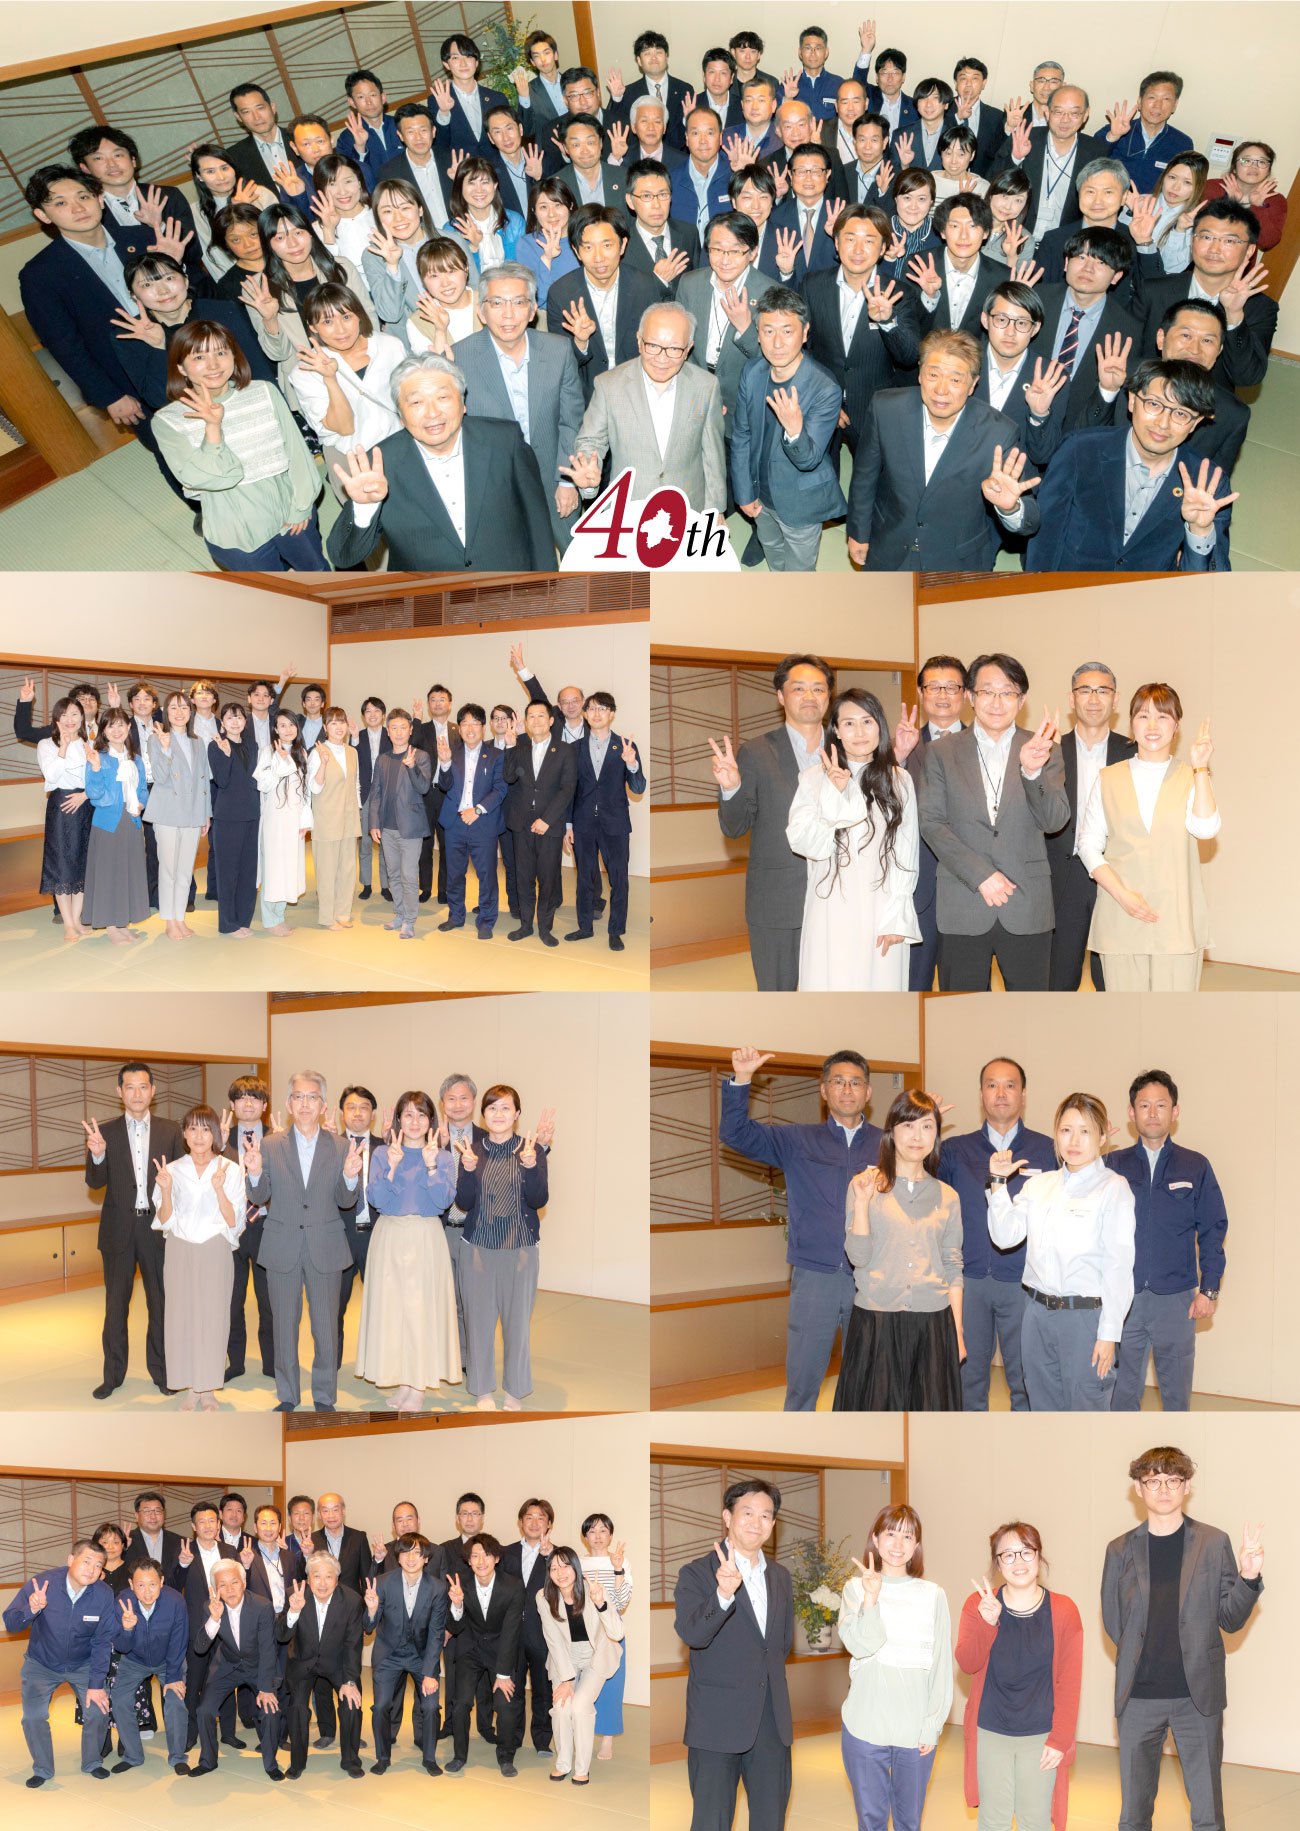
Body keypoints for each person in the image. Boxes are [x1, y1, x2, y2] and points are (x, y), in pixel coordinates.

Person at [1102, 1446, 1263, 1831]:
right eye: (1153, 1481)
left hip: (1198, 1698)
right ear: (1138, 1489)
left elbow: (1229, 1620)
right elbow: (1113, 1621)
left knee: (1208, 1816)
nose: (1163, 1489)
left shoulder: (1213, 1542)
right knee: (1133, 1816)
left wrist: (1248, 1577)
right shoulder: (1119, 1549)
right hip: (1138, 1698)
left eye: (1173, 1480)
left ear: (1187, 1486)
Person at [721, 1047, 883, 1408]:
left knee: (869, 1384)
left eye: (855, 1082)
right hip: (814, 1278)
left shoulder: (888, 1144)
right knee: (802, 1384)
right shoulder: (797, 1140)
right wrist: (742, 1078)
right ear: (824, 1090)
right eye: (838, 1081)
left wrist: (926, 1120)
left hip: (872, 1278)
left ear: (868, 1092)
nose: (847, 1089)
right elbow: (736, 1134)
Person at [915, 652, 1069, 991]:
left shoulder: (1043, 748)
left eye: (1007, 692)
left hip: (1027, 904)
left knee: (1030, 1011)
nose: (997, 702)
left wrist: (1032, 772)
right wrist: (981, 874)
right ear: (971, 696)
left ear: (1022, 699)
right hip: (963, 902)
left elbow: (1055, 821)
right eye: (987, 691)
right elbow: (931, 823)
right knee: (962, 1010)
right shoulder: (941, 752)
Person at [328, 351, 557, 570]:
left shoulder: (505, 441)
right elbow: (344, 557)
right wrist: (364, 507)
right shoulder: (378, 465)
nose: (432, 413)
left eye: (443, 397)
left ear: (463, 402)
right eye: (416, 402)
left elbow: (538, 526)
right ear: (401, 415)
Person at [846, 329, 1043, 570]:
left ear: (972, 385)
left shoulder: (999, 433)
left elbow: (1030, 519)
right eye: (933, 374)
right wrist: (858, 532)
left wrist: (1010, 508)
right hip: (888, 547)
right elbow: (864, 478)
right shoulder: (885, 408)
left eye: (955, 380)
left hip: (955, 562)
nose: (941, 389)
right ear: (920, 374)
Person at [988, 1090, 1136, 1411]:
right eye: (1066, 1130)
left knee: (1086, 1408)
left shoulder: (1113, 1188)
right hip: (1036, 1315)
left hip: (1085, 1318)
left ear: (1102, 1137)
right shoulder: (1039, 1185)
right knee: (1042, 1409)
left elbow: (1119, 1267)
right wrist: (998, 1183)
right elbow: (1004, 1237)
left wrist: (1109, 1333)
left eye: (1085, 1131)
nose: (1074, 1140)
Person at [18, 165, 180, 458]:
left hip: (181, 350)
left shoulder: (143, 237)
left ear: (100, 199)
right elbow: (64, 345)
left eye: (83, 196)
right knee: (172, 453)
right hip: (126, 376)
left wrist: (175, 266)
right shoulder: (40, 274)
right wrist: (109, 395)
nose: (78, 208)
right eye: (60, 203)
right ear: (43, 215)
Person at [1028, 360, 1237, 572]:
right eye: (1154, 404)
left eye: (1180, 414)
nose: (1163, 423)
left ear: (1195, 423)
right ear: (1132, 401)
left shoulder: (1207, 483)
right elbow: (1045, 538)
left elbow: (1211, 581)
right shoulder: (1080, 449)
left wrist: (1200, 531)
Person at [151, 321, 326, 571]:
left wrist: (301, 507)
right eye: (199, 357)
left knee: (318, 575)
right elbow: (203, 479)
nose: (213, 365)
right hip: (235, 533)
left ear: (234, 356)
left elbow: (298, 454)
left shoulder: (263, 392)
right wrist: (213, 429)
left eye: (221, 352)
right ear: (181, 367)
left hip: (291, 512)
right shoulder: (169, 421)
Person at [1080, 681, 1221, 990]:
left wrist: (1201, 768)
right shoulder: (1108, 778)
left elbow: (1206, 828)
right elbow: (1088, 845)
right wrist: (1122, 896)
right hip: (1120, 915)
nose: (1152, 725)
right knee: (1126, 1015)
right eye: (1143, 716)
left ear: (1177, 725)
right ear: (1131, 723)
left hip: (1177, 920)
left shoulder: (1192, 777)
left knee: (1174, 1017)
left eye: (1163, 716)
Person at [938, 1058, 1057, 1412]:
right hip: (968, 1283)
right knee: (967, 1380)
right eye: (992, 1085)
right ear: (981, 1095)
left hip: (1024, 1284)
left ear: (1023, 1094)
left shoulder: (1048, 1150)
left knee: (1026, 1381)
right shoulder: (955, 1150)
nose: (1001, 1093)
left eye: (1009, 1085)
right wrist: (925, 1124)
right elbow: (920, 1185)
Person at [675, 1478, 793, 1831]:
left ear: (773, 1523)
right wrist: (723, 1595)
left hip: (771, 1722)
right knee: (711, 1822)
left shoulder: (781, 1576)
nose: (757, 1522)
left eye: (766, 1515)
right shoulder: (697, 1573)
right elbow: (692, 1634)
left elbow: (781, 1644)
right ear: (727, 1517)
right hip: (716, 1721)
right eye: (748, 1513)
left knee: (770, 1821)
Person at [710, 654, 833, 989]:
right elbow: (734, 828)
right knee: (778, 996)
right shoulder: (757, 752)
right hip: (778, 900)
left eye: (818, 688)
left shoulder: (849, 748)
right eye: (799, 688)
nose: (809, 696)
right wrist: (732, 788)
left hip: (838, 900)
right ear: (781, 696)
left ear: (828, 696)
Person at [243, 1072, 363, 1412]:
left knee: (326, 1329)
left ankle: (324, 1396)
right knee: (283, 1328)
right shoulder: (269, 1145)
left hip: (325, 1246)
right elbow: (259, 1196)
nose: (305, 1103)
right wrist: (254, 1171)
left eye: (312, 1097)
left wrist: (350, 1177)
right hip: (282, 1245)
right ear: (288, 1103)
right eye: (299, 1096)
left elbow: (345, 1201)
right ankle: (288, 1395)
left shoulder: (340, 1146)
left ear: (324, 1106)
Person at [835, 1092, 963, 1411]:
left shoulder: (948, 1196)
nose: (917, 1136)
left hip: (933, 1324)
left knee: (928, 1422)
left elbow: (952, 1266)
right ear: (891, 1131)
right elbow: (858, 1258)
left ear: (937, 1134)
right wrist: (862, 1204)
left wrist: (958, 1332)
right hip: (876, 1322)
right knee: (875, 1421)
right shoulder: (865, 1186)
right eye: (908, 1125)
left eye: (927, 1126)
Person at [1110, 1071, 1229, 1412]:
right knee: (1120, 1397)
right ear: (1131, 1113)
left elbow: (1213, 1228)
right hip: (1123, 1299)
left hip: (1176, 1301)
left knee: (1177, 1397)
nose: (1152, 1113)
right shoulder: (1111, 1165)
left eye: (1161, 1105)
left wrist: (1209, 1289)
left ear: (1174, 1112)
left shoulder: (1195, 1165)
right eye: (1144, 1105)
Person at [786, 687, 920, 989]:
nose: (859, 732)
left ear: (879, 726)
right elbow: (805, 845)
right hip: (829, 908)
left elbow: (906, 850)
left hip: (881, 908)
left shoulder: (899, 780)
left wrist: (898, 916)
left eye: (867, 721)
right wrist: (833, 795)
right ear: (835, 729)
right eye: (848, 723)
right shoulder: (812, 778)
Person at [956, 1522, 1084, 1831]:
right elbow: (967, 1663)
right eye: (1008, 1554)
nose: (1019, 1561)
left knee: (1035, 1822)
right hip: (991, 1729)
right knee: (992, 1821)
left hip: (1041, 1734)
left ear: (1039, 1556)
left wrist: (1060, 1739)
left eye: (1026, 1552)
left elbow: (1069, 1683)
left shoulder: (1064, 1610)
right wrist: (987, 1623)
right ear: (997, 1563)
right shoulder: (978, 1604)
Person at [452, 261, 586, 553]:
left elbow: (571, 421)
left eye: (518, 302)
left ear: (533, 309)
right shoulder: (458, 358)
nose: (508, 313)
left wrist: (567, 481)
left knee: (577, 559)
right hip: (494, 487)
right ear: (481, 312)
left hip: (555, 477)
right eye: (497, 303)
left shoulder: (558, 350)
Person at [837, 1505, 952, 1831]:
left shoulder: (933, 1595)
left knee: (908, 1822)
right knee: (870, 1821)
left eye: (907, 1536)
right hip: (864, 1726)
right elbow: (861, 1645)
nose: (898, 1543)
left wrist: (932, 1724)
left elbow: (941, 1665)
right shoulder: (855, 1589)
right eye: (890, 1534)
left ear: (917, 1545)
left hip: (914, 1731)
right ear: (875, 1539)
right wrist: (871, 1599)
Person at [564, 300, 726, 515]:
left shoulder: (705, 386)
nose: (662, 358)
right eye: (653, 345)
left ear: (688, 349)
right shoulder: (608, 385)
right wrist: (588, 479)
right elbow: (591, 442)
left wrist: (716, 510)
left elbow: (713, 456)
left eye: (674, 349)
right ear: (639, 341)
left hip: (688, 510)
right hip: (628, 510)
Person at [84, 1063, 184, 1399]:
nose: (137, 1093)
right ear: (119, 1092)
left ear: (153, 1090)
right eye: (130, 1087)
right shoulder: (105, 1133)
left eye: (143, 1086)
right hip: (118, 1231)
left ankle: (163, 1373)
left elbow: (183, 1182)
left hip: (158, 1229)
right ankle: (112, 1376)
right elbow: (94, 1183)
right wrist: (98, 1156)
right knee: (115, 1308)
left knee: (161, 1305)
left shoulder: (171, 1131)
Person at [355, 1090, 459, 1411]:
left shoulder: (443, 1157)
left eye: (422, 1115)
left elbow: (443, 1202)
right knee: (393, 1311)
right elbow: (376, 1200)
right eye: (408, 1115)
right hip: (389, 1236)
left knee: (419, 1313)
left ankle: (418, 1386)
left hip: (425, 1237)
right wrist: (391, 1166)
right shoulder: (382, 1152)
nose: (415, 1121)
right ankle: (404, 1381)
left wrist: (431, 1166)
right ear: (398, 1119)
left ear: (431, 1120)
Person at [731, 284, 845, 570]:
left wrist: (794, 430)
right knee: (772, 553)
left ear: (805, 333)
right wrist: (744, 492)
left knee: (799, 572)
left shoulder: (825, 388)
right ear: (758, 334)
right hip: (759, 495)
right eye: (768, 331)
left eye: (787, 331)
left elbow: (809, 460)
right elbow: (742, 435)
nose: (778, 343)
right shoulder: (752, 372)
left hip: (800, 503)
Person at [454, 1086, 551, 1411]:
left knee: (517, 1325)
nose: (498, 1114)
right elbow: (464, 1203)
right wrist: (468, 1171)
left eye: (505, 1108)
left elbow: (538, 1199)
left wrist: (530, 1166)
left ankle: (514, 1391)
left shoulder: (531, 1150)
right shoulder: (472, 1151)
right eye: (492, 1108)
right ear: (484, 1114)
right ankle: (482, 1391)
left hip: (520, 1249)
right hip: (477, 1250)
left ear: (517, 1114)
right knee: (478, 1323)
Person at [1046, 663, 1138, 992]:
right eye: (1085, 690)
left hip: (1116, 875)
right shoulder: (1050, 750)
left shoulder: (1134, 753)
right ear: (1072, 699)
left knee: (1113, 979)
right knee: (1059, 979)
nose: (1094, 698)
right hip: (1063, 876)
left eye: (1103, 691)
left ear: (1116, 699)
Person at [801, 204, 920, 458]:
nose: (857, 249)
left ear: (883, 248)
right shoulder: (813, 285)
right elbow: (804, 349)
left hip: (874, 410)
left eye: (869, 241)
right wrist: (823, 398)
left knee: (870, 480)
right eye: (850, 238)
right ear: (836, 243)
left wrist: (888, 321)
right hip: (821, 405)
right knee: (820, 476)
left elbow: (909, 356)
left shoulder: (899, 292)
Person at [151, 1104, 245, 1410]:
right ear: (184, 1134)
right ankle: (192, 1386)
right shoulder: (172, 1170)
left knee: (214, 1318)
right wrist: (166, 1190)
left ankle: (209, 1387)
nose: (199, 1135)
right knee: (181, 1317)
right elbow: (165, 1220)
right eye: (193, 1128)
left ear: (216, 1133)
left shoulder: (230, 1169)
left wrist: (219, 1190)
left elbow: (234, 1221)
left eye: (206, 1129)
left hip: (215, 1247)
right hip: (180, 1248)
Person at [5, 1541, 113, 1787]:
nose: (91, 1570)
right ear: (70, 1560)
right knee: (33, 1717)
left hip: (83, 1663)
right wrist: (31, 1609)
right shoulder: (43, 1584)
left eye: (98, 1565)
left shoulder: (103, 1594)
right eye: (86, 1561)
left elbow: (101, 1641)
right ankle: (42, 1769)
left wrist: (97, 1683)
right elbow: (11, 1623)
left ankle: (92, 1762)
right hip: (42, 1662)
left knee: (98, 1710)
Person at [1137, 198, 1277, 389]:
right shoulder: (1154, 291)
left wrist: (1234, 317)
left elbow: (1247, 378)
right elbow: (1129, 355)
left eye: (1229, 241)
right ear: (1192, 241)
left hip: (1209, 403)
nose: (1214, 249)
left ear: (1249, 250)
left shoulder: (1260, 307)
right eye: (1206, 237)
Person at [545, 204, 665, 403]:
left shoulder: (645, 286)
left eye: (607, 245)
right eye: (588, 247)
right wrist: (580, 342)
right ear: (576, 251)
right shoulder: (561, 294)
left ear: (623, 245)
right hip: (585, 398)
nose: (599, 257)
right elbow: (558, 365)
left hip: (638, 392)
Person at [291, 285, 404, 477]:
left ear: (359, 315)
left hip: (402, 444)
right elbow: (344, 427)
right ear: (312, 327)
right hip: (351, 459)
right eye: (327, 321)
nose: (341, 329)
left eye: (346, 317)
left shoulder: (389, 346)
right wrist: (330, 378)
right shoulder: (304, 372)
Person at [189, 1560, 283, 1779]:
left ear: (244, 1583)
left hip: (259, 1667)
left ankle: (271, 1764)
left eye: (234, 1582)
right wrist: (214, 1618)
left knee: (270, 1711)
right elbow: (200, 1648)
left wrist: (266, 1688)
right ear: (215, 1589)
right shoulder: (210, 1607)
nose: (229, 1589)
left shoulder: (261, 1606)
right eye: (222, 1585)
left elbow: (268, 1649)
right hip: (228, 1666)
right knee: (204, 1710)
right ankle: (208, 1761)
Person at [905, 656, 966, 990]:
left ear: (966, 693)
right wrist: (897, 758)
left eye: (952, 687)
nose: (943, 695)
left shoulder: (985, 745)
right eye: (934, 687)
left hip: (969, 887)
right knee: (915, 985)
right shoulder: (900, 746)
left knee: (968, 988)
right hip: (918, 887)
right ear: (920, 692)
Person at [364, 1533, 448, 1774]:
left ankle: (429, 1758)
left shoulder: (437, 1588)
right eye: (406, 1552)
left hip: (421, 1656)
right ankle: (382, 1757)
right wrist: (371, 1611)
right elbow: (368, 1627)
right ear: (398, 1557)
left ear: (426, 1559)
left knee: (431, 1707)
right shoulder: (382, 1582)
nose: (411, 1558)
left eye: (418, 1553)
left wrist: (430, 1673)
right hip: (388, 1655)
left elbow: (436, 1633)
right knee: (381, 1705)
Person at [275, 1553, 365, 1778]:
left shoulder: (352, 1600)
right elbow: (281, 1635)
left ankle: (351, 1760)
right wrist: (294, 1611)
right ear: (308, 1579)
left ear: (337, 1579)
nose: (322, 1583)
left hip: (337, 1663)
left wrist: (350, 1681)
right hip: (304, 1662)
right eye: (317, 1576)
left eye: (329, 1576)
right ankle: (297, 1762)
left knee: (351, 1704)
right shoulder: (295, 1594)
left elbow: (353, 1644)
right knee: (297, 1708)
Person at [538, 1548, 624, 1785]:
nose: (560, 1572)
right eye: (554, 1568)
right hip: (564, 1658)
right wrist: (566, 1680)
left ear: (576, 1568)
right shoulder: (543, 1597)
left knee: (580, 1706)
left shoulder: (593, 1590)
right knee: (561, 1707)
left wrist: (601, 1603)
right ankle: (563, 1763)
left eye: (565, 1566)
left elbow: (617, 1633)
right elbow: (553, 1640)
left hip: (596, 1656)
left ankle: (582, 1768)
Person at [445, 1533, 525, 1775]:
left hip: (501, 1649)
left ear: (497, 1558)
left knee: (505, 1703)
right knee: (461, 1703)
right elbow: (455, 1626)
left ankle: (506, 1757)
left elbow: (511, 1631)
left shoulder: (513, 1586)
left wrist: (503, 1674)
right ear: (469, 1560)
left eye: (487, 1555)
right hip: (470, 1648)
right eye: (475, 1556)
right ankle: (459, 1756)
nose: (481, 1561)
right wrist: (457, 1605)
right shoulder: (460, 1584)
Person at [501, 698, 579, 945]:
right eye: (531, 716)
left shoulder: (565, 750)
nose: (536, 721)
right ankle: (526, 925)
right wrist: (510, 746)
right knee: (523, 878)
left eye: (541, 716)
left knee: (548, 878)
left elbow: (567, 789)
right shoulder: (520, 748)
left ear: (551, 720)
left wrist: (547, 819)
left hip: (550, 825)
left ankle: (545, 928)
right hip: (521, 824)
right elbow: (508, 777)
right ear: (526, 722)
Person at [108, 1557, 190, 1775]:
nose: (147, 1591)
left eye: (152, 1584)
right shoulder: (123, 1602)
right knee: (119, 1700)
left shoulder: (175, 1601)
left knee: (175, 1700)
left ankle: (178, 1757)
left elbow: (179, 1640)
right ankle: (133, 1755)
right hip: (134, 1660)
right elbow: (122, 1647)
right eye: (141, 1585)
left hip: (168, 1660)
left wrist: (173, 1677)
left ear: (161, 1582)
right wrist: (127, 1629)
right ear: (131, 1584)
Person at [432, 702, 507, 938]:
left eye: (475, 723)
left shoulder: (496, 755)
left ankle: (486, 920)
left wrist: (478, 810)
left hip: (483, 823)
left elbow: (500, 789)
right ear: (459, 728)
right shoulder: (451, 753)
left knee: (487, 875)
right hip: (454, 823)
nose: (470, 728)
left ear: (484, 728)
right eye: (465, 723)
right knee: (454, 874)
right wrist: (444, 763)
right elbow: (444, 786)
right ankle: (456, 916)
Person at [999, 85, 1108, 239]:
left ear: (1086, 115)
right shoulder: (1025, 137)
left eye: (1074, 113)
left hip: (1063, 242)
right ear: (1047, 112)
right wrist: (1015, 159)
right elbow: (993, 180)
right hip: (1015, 236)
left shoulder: (1096, 151)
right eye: (1058, 112)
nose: (1065, 120)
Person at [364, 707, 431, 940]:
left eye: (403, 727)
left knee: (408, 876)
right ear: (388, 732)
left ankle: (410, 921)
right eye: (394, 728)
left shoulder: (420, 756)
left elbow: (424, 787)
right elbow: (375, 792)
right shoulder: (383, 759)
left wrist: (412, 767)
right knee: (393, 874)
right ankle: (400, 914)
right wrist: (374, 823)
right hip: (387, 828)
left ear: (411, 730)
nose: (399, 732)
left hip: (410, 828)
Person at [499, 1500, 557, 1757]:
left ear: (549, 1524)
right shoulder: (505, 1553)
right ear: (520, 1522)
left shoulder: (558, 1555)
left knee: (544, 1689)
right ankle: (512, 1737)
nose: (534, 1523)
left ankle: (542, 1739)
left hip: (544, 1633)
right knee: (513, 1688)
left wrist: (549, 1557)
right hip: (511, 1633)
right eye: (529, 1517)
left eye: (540, 1518)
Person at [36, 696, 92, 941]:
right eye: (64, 714)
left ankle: (77, 919)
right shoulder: (46, 744)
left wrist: (86, 795)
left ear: (82, 717)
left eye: (75, 714)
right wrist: (64, 747)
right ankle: (68, 923)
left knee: (83, 863)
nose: (70, 720)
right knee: (62, 864)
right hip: (61, 806)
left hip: (87, 805)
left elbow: (100, 776)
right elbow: (50, 775)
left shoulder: (90, 743)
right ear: (56, 719)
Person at [906, 194, 1001, 335]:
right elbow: (907, 326)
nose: (963, 236)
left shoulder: (1001, 277)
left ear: (986, 232)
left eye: (973, 226)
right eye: (955, 226)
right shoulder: (918, 265)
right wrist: (930, 297)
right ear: (943, 232)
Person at [254, 710, 312, 935]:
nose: (288, 729)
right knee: (273, 870)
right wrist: (280, 761)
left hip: (294, 820)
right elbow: (263, 785)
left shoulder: (301, 752)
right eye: (282, 725)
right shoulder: (267, 751)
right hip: (275, 820)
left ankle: (279, 916)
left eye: (292, 724)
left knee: (289, 869)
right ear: (275, 729)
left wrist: (305, 819)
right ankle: (270, 920)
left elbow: (305, 791)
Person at [580, 1513, 632, 1763]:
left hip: (610, 1628)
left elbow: (621, 1603)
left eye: (603, 1530)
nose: (598, 1536)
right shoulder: (578, 1563)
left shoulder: (620, 1561)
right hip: (583, 1628)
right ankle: (583, 1731)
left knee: (612, 1683)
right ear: (585, 1536)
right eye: (592, 1531)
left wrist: (618, 1569)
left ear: (610, 1535)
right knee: (582, 1680)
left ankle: (607, 1738)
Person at [207, 704, 261, 936]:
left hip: (252, 814)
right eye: (230, 718)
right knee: (228, 872)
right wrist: (227, 755)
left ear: (245, 722)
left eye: (239, 718)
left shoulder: (252, 745)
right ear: (222, 723)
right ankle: (228, 924)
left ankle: (243, 919)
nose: (235, 722)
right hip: (228, 816)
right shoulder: (216, 745)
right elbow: (222, 781)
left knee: (249, 871)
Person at [308, 707, 362, 931]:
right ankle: (327, 916)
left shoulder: (352, 752)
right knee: (327, 870)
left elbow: (356, 785)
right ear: (325, 727)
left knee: (347, 868)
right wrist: (323, 763)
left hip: (349, 816)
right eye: (333, 723)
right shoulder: (317, 752)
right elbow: (314, 788)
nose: (339, 727)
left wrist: (358, 810)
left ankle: (342, 912)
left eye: (342, 722)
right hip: (327, 818)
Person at [1103, 72, 1193, 192]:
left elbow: (1182, 188)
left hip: (1153, 203)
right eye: (1152, 97)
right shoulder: (1113, 130)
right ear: (1139, 102)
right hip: (1111, 200)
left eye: (1166, 99)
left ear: (1174, 105)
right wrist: (1113, 137)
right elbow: (1090, 162)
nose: (1157, 105)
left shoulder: (1183, 144)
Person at [432, 32, 511, 161]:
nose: (463, 63)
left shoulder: (497, 98)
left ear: (476, 62)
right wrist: (444, 113)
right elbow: (439, 146)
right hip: (462, 170)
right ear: (446, 64)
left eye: (468, 56)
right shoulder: (436, 100)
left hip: (497, 168)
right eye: (455, 58)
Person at [623, 156, 698, 288]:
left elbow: (697, 285)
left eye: (663, 194)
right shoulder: (621, 245)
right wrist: (658, 280)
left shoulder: (689, 233)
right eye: (646, 196)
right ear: (630, 201)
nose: (656, 205)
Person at [1204, 140, 1286, 250]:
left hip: (1241, 258)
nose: (1254, 167)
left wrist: (1259, 207)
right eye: (1246, 160)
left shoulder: (1275, 200)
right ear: (1234, 167)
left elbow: (1266, 243)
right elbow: (1199, 228)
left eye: (1262, 162)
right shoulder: (1212, 187)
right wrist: (1230, 203)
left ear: (1268, 171)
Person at [517, 177, 580, 306]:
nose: (552, 214)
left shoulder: (586, 238)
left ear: (570, 205)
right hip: (548, 315)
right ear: (534, 211)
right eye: (544, 207)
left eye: (558, 205)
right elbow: (537, 300)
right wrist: (546, 259)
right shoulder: (527, 245)